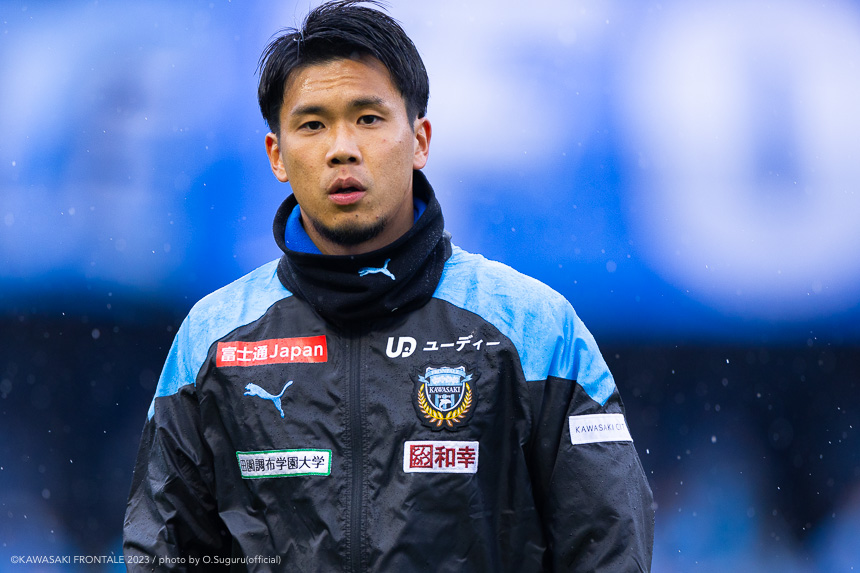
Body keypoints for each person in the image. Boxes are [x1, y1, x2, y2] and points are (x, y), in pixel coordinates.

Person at [122, 1, 655, 570]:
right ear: (277, 155)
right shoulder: (213, 338)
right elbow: (163, 552)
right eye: (312, 124)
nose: (342, 148)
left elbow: (609, 547)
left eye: (369, 118)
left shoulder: (534, 327)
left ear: (420, 140)